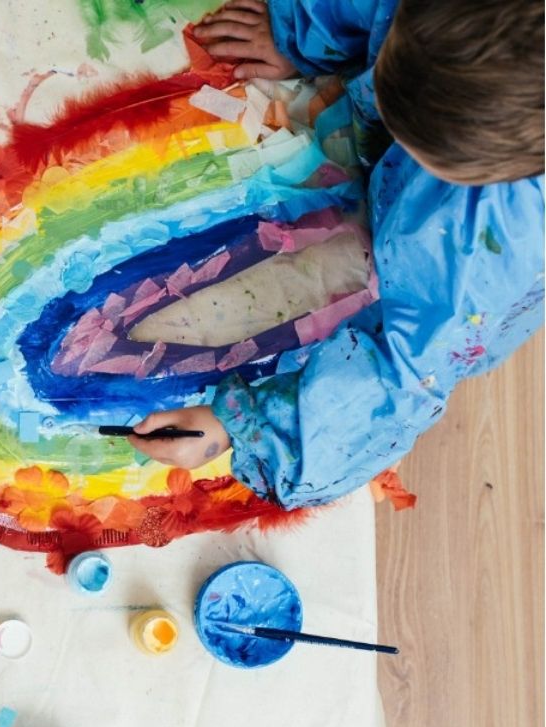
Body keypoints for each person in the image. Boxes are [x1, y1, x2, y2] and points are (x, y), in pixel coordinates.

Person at [128, 0, 544, 508]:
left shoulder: (490, 245)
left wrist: (242, 425)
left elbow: (403, 372)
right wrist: (303, 33)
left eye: (417, 142)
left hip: (451, 266)